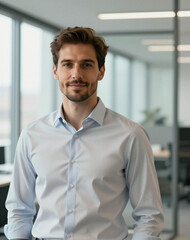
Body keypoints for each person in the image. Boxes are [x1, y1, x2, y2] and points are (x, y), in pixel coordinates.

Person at [5, 26, 163, 240]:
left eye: (86, 65)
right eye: (67, 64)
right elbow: (19, 210)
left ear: (101, 71)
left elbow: (149, 215)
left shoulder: (130, 135)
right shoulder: (32, 134)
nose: (76, 74)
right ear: (55, 71)